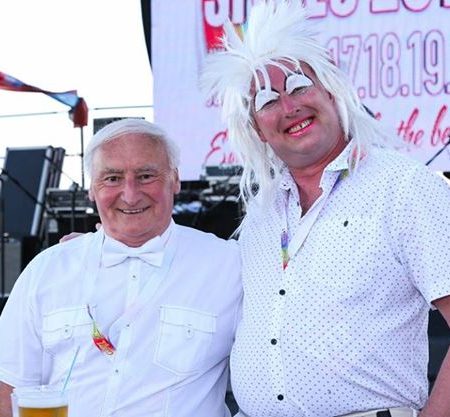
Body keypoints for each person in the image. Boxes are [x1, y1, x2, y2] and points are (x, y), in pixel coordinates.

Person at [200, 1, 450, 416]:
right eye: (267, 101)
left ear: (332, 92)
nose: (288, 107)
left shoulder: (402, 186)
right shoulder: (261, 214)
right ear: (257, 129)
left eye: (299, 86)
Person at [0, 118, 242, 417]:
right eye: (112, 178)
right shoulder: (47, 270)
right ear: (92, 188)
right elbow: (9, 388)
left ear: (175, 179)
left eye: (146, 176)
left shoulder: (228, 265)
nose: (130, 194)